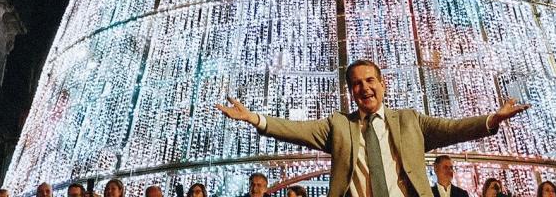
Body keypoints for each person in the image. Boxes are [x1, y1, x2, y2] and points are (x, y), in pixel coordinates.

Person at [218, 59, 528, 197]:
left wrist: (492, 119)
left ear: (382, 84)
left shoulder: (410, 120)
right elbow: (296, 129)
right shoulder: (339, 125)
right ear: (351, 92)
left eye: (370, 81)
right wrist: (255, 118)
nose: (364, 88)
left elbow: (452, 128)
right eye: (356, 84)